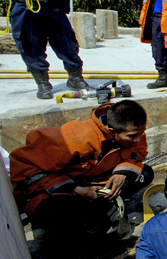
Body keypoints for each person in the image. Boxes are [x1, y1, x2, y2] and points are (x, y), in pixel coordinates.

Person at [9, 100, 153, 239]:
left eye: (141, 134)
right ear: (112, 130)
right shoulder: (71, 140)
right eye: (133, 137)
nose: (138, 139)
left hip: (92, 181)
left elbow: (137, 154)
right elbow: (25, 170)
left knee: (145, 173)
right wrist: (74, 188)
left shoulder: (134, 130)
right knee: (65, 218)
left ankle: (100, 207)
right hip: (55, 190)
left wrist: (122, 173)